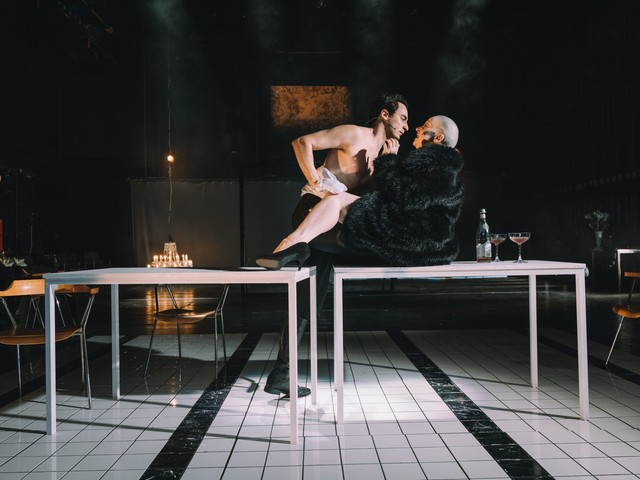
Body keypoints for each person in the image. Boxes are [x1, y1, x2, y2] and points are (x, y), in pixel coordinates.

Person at [257, 93, 410, 397]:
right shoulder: (355, 134)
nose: (406, 126)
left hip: (336, 223)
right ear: (385, 114)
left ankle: (280, 374)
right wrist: (317, 183)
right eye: (403, 118)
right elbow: (301, 142)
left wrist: (388, 165)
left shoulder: (384, 153)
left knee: (309, 301)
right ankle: (292, 247)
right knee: (308, 298)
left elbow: (374, 199)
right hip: (313, 212)